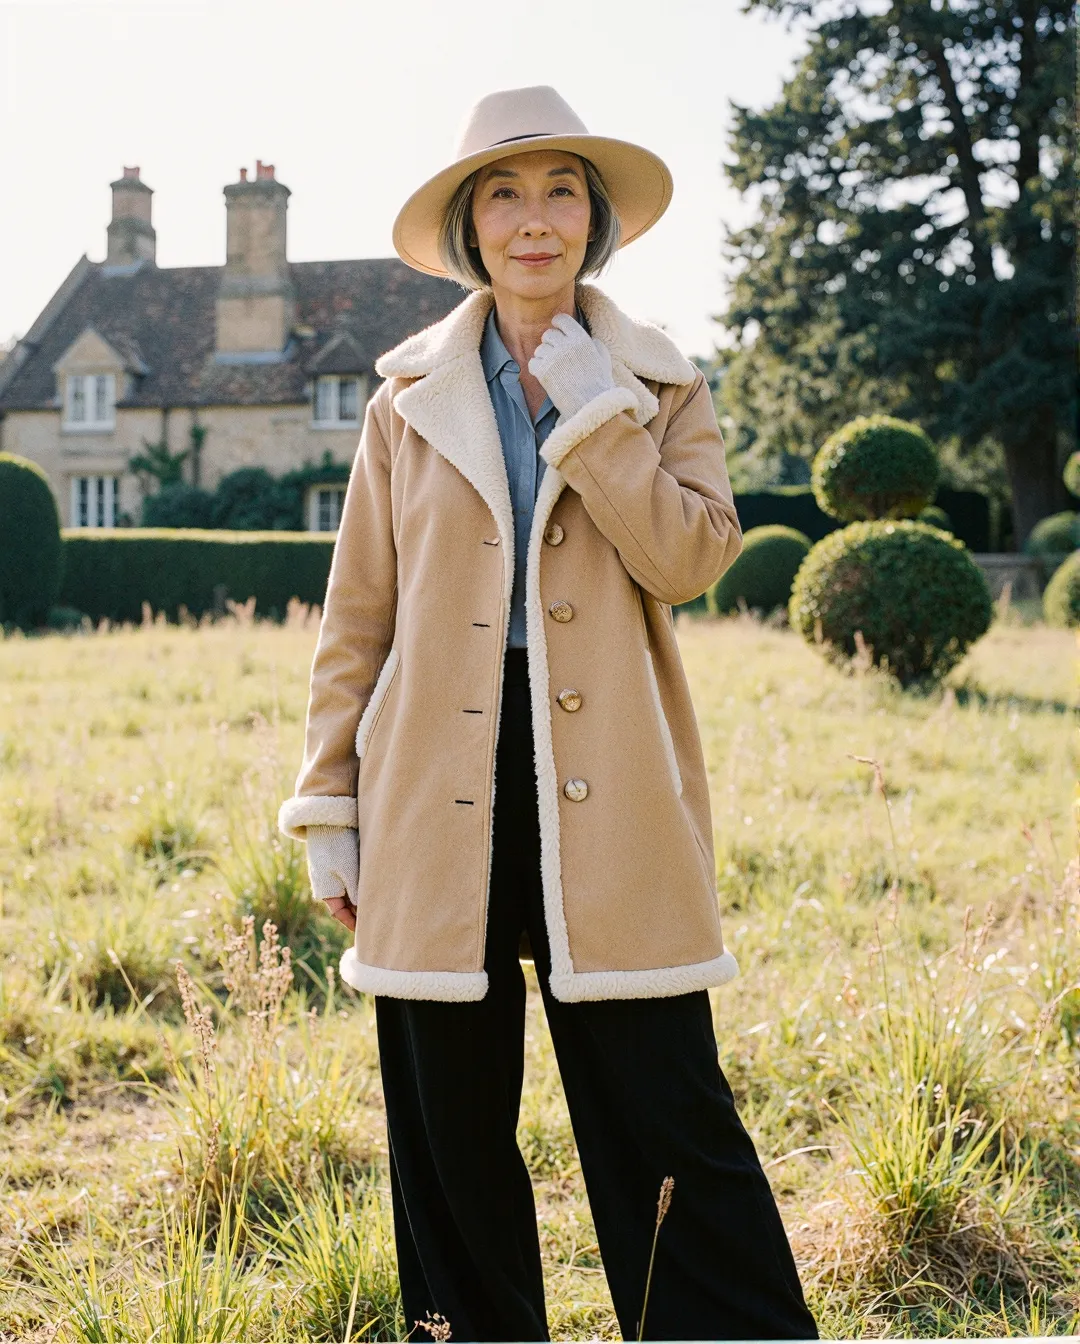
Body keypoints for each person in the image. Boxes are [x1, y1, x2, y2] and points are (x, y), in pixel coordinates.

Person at [279, 85, 818, 1343]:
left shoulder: (658, 381)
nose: (536, 220)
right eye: (506, 196)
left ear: (596, 218)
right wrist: (329, 803)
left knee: (667, 1116)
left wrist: (593, 405)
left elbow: (688, 559)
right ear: (472, 227)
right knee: (448, 1140)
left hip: (611, 785)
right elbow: (357, 610)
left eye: (562, 191)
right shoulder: (401, 395)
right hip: (429, 790)